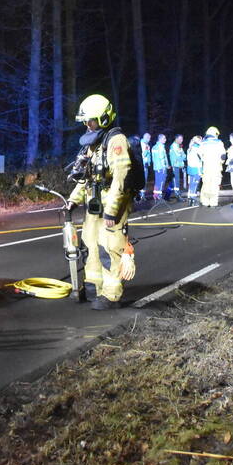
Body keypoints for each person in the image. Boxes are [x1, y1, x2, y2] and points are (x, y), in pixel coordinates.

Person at [68, 94, 135, 310]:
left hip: (110, 206)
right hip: (94, 204)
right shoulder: (95, 143)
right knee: (90, 244)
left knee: (110, 248)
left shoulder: (116, 141)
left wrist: (112, 211)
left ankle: (111, 295)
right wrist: (73, 200)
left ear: (104, 118)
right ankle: (93, 287)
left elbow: (120, 177)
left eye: (92, 121)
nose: (88, 126)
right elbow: (88, 177)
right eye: (86, 122)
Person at [199, 126, 226, 207]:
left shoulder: (203, 143)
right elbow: (223, 156)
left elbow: (199, 154)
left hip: (206, 168)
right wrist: (221, 162)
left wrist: (204, 160)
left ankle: (205, 202)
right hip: (216, 168)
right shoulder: (219, 143)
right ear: (215, 134)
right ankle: (213, 203)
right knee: (214, 186)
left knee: (206, 185)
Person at [151, 133, 169, 200]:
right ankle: (159, 195)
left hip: (156, 167)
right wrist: (164, 166)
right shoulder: (161, 147)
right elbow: (162, 158)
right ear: (160, 139)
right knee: (162, 181)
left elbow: (153, 158)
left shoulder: (154, 147)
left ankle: (155, 195)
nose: (165, 139)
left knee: (157, 181)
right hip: (161, 167)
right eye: (164, 138)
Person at [186, 135, 203, 204]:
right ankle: (193, 199)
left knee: (191, 184)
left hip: (190, 169)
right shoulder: (198, 149)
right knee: (195, 184)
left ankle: (190, 198)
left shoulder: (189, 149)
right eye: (201, 140)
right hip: (197, 169)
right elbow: (201, 159)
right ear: (198, 141)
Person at [169, 135, 186, 201]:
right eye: (180, 139)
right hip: (175, 165)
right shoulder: (174, 146)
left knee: (174, 181)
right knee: (176, 181)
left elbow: (184, 155)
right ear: (176, 139)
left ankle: (168, 195)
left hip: (178, 165)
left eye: (182, 139)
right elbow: (179, 156)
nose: (182, 140)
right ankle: (177, 195)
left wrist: (182, 156)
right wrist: (182, 157)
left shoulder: (179, 145)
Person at [140, 132, 152, 199]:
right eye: (149, 138)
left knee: (145, 180)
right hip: (142, 164)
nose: (150, 139)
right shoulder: (141, 144)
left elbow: (148, 155)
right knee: (142, 180)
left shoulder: (147, 145)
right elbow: (143, 155)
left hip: (146, 164)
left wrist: (149, 162)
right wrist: (147, 150)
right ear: (146, 138)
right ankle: (140, 194)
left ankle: (143, 194)